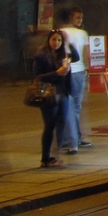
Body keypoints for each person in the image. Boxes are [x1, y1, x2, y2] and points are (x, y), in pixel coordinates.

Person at [33, 29, 79, 168]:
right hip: (48, 94)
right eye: (54, 39)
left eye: (59, 40)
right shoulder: (41, 56)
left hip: (63, 93)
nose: (56, 43)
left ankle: (55, 155)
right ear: (48, 40)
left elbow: (76, 57)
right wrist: (57, 73)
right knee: (49, 125)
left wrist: (69, 43)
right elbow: (38, 77)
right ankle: (45, 158)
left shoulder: (63, 54)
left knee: (61, 123)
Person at [60, 6, 91, 154]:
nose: (80, 20)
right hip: (78, 72)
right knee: (77, 107)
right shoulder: (83, 34)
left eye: (81, 18)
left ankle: (70, 138)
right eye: (78, 17)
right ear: (71, 18)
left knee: (67, 106)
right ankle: (75, 138)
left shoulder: (61, 33)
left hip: (66, 72)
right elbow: (86, 54)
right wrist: (88, 69)